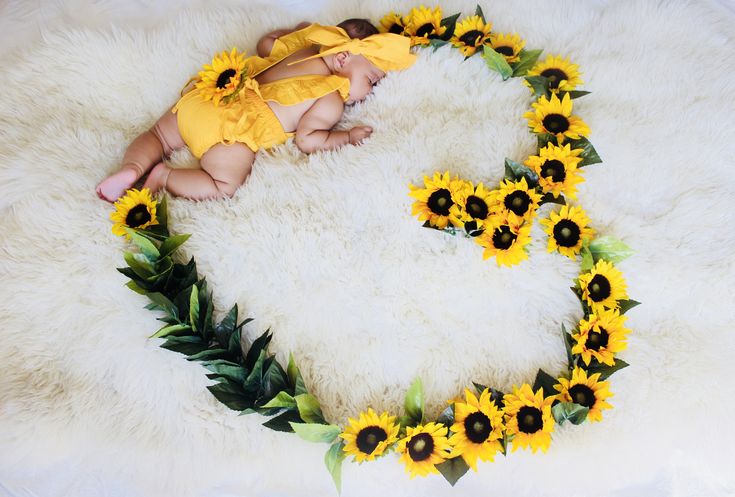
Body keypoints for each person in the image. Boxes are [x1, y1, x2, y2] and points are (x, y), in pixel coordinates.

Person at [96, 19, 416, 202]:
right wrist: (346, 136)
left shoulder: (302, 48)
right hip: (237, 130)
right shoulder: (331, 95)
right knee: (223, 185)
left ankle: (133, 168)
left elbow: (266, 45)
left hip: (216, 92)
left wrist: (294, 32)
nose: (370, 92)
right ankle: (164, 177)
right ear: (344, 58)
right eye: (372, 80)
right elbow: (308, 140)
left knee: (158, 136)